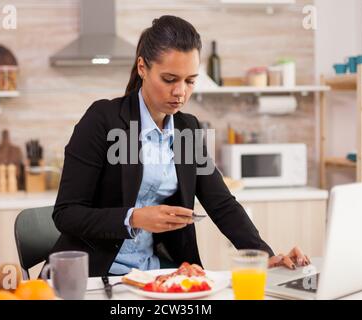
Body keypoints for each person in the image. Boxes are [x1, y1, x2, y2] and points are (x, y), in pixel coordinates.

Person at [49, 15, 310, 277]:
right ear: (142, 67)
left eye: (190, 80)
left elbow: (222, 205)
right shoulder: (103, 119)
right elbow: (66, 214)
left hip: (153, 274)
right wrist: (134, 217)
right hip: (93, 275)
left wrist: (264, 256)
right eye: (170, 79)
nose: (180, 92)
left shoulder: (188, 129)